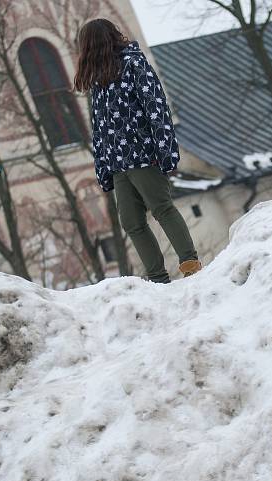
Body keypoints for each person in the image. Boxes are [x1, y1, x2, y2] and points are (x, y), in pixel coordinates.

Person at [74, 18, 202, 283]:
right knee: (131, 222)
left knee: (161, 208)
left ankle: (190, 263)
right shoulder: (97, 82)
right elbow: (98, 128)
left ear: (93, 44)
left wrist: (165, 149)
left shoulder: (133, 64)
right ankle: (157, 277)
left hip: (144, 154)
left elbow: (156, 106)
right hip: (118, 163)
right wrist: (103, 168)